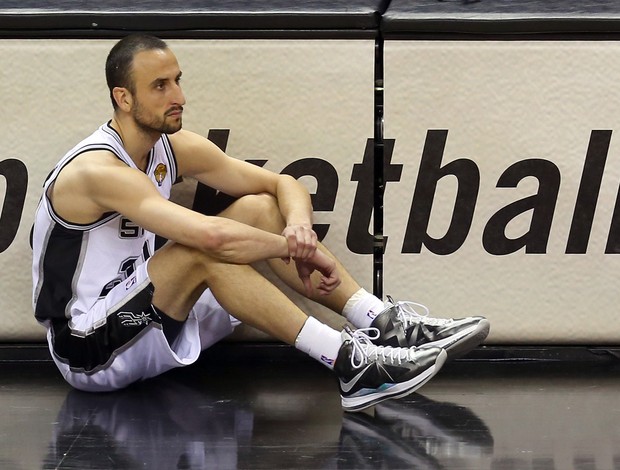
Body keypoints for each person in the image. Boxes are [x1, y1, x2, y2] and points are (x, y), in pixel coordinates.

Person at [32, 34, 489, 412]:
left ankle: (378, 320)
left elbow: (284, 184)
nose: (179, 97)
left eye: (178, 81)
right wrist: (287, 249)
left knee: (258, 207)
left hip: (151, 318)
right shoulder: (97, 171)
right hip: (89, 349)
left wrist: (298, 231)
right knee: (206, 247)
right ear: (123, 97)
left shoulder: (172, 147)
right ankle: (349, 363)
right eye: (160, 86)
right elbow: (210, 237)